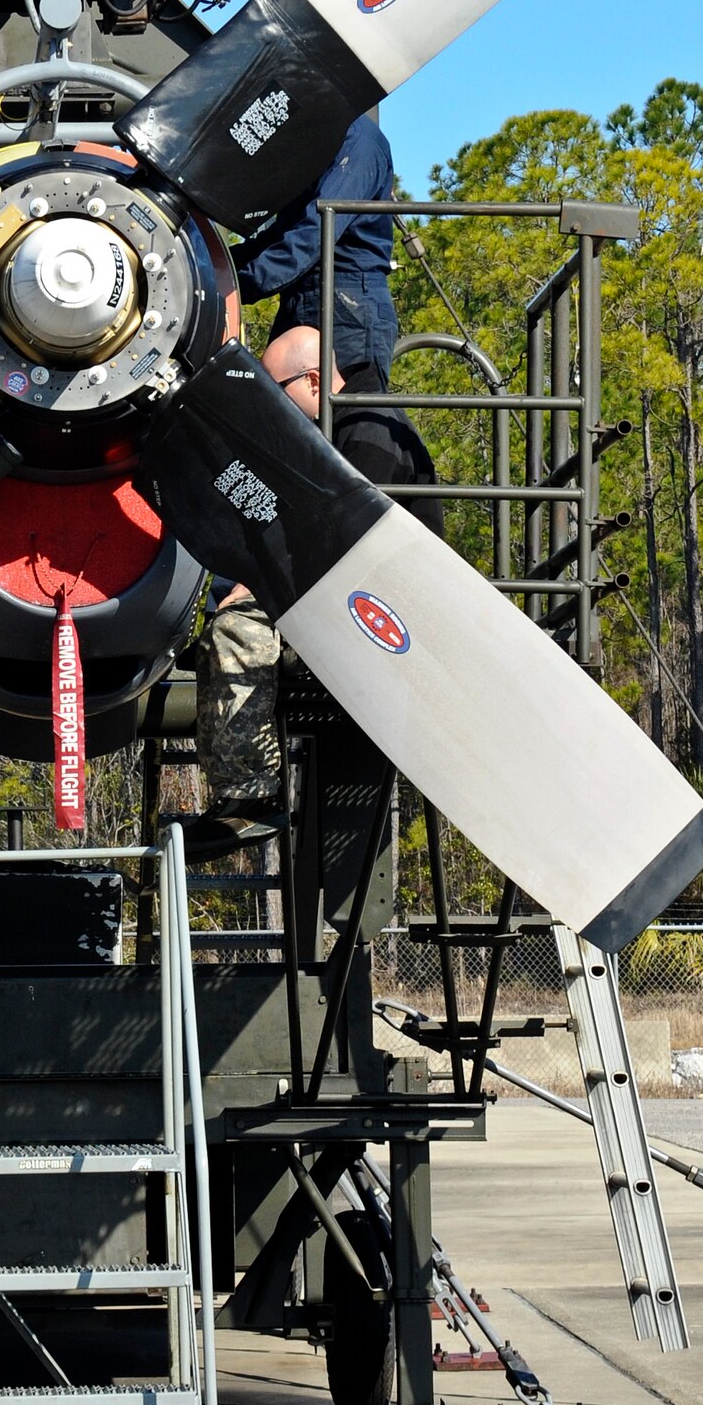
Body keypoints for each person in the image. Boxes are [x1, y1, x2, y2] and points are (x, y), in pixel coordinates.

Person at [182, 324, 443, 860]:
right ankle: (234, 793)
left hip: (378, 610)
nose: (268, 409)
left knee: (238, 631)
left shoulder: (370, 433)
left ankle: (250, 799)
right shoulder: (337, 432)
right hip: (351, 597)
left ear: (315, 380)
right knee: (224, 624)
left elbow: (343, 544)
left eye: (274, 394)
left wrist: (260, 588)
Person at [235, 112, 400, 382]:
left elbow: (312, 235)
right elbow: (286, 234)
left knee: (347, 419)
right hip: (304, 297)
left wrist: (235, 284)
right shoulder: (318, 141)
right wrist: (216, 266)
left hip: (347, 305)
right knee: (278, 413)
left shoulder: (359, 143)